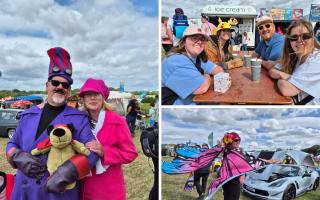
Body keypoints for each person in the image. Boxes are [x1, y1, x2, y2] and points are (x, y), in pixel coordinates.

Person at [5, 47, 99, 199]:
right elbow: (11, 144)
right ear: (47, 86)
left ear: (68, 91)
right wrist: (17, 157)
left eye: (66, 85)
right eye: (55, 82)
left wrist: (69, 171)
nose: (60, 87)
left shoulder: (78, 118)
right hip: (23, 192)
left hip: (56, 194)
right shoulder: (28, 115)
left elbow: (93, 152)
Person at [79, 78, 138, 200]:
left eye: (96, 94)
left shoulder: (117, 121)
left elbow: (131, 154)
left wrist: (104, 151)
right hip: (83, 187)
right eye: (88, 95)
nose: (92, 98)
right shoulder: (79, 121)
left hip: (108, 189)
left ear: (103, 98)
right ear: (83, 99)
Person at [162, 26, 224, 105]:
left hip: (194, 99)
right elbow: (201, 88)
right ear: (184, 41)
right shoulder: (176, 60)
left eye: (202, 39)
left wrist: (207, 78)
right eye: (194, 38)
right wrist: (207, 76)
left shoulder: (196, 58)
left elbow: (218, 69)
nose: (199, 42)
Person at [269, 20, 320, 105]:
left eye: (305, 36)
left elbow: (286, 89)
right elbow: (272, 70)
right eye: (294, 38)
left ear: (312, 38)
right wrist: (286, 76)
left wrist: (283, 76)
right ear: (289, 41)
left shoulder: (316, 61)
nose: (299, 40)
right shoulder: (294, 56)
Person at [220, 132, 243, 200]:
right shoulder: (227, 151)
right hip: (228, 183)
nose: (238, 142)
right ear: (230, 141)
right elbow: (221, 144)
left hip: (234, 182)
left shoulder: (238, 152)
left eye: (239, 140)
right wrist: (226, 137)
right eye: (236, 140)